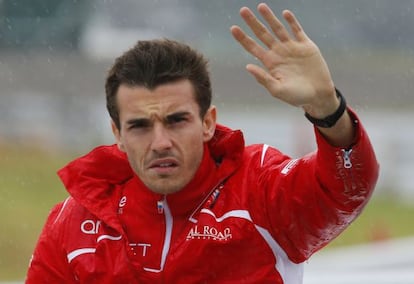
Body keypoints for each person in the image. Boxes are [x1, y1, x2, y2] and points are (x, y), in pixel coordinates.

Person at [26, 3, 379, 284]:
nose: (160, 142)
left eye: (176, 120)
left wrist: (327, 109)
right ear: (117, 134)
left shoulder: (258, 189)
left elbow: (345, 190)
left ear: (208, 122)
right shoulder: (74, 221)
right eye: (140, 126)